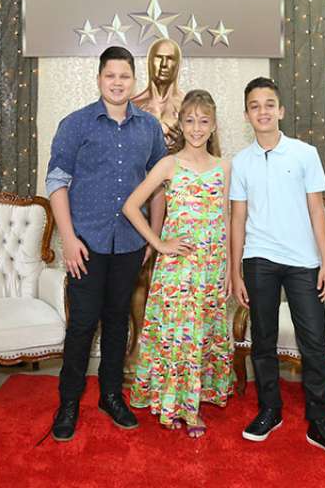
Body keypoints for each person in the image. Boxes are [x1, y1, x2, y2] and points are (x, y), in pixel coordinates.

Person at [229, 77, 325, 461]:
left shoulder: (305, 154)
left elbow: (317, 210)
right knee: (263, 340)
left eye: (269, 104)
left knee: (314, 342)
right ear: (247, 115)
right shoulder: (241, 162)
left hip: (303, 262)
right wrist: (234, 271)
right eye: (255, 106)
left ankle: (320, 422)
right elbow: (238, 219)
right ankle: (270, 410)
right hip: (259, 259)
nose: (263, 111)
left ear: (281, 110)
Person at [45, 46, 168, 442]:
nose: (117, 83)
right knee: (82, 324)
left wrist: (153, 238)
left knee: (118, 321)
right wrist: (67, 238)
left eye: (124, 76)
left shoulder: (149, 128)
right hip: (86, 243)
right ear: (99, 79)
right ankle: (69, 402)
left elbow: (159, 186)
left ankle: (111, 396)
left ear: (134, 80)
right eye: (110, 75)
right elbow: (56, 182)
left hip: (130, 244)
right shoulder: (76, 124)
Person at [123, 89, 232, 438]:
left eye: (203, 121)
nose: (197, 128)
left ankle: (192, 402)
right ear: (181, 124)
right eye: (190, 121)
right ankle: (178, 406)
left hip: (211, 267)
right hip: (177, 269)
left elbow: (227, 219)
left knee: (200, 335)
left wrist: (232, 269)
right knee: (177, 335)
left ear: (213, 126)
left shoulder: (224, 167)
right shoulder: (169, 164)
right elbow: (131, 206)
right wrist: (158, 244)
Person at [131, 38, 184, 148]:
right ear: (149, 62)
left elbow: (211, 152)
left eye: (170, 58)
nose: (164, 64)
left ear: (178, 64)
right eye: (158, 58)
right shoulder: (132, 106)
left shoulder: (188, 106)